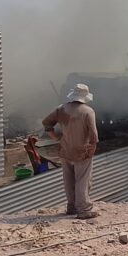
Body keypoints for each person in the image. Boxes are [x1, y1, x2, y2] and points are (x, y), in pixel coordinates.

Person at [42, 83, 99, 219]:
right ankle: (84, 210)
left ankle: (71, 207)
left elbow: (46, 123)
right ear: (85, 97)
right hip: (81, 152)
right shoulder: (88, 111)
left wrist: (56, 137)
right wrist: (92, 150)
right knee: (82, 180)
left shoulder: (61, 109)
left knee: (68, 180)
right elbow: (94, 137)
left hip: (65, 150)